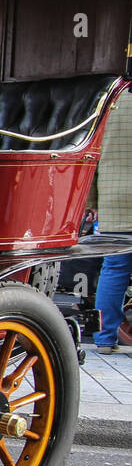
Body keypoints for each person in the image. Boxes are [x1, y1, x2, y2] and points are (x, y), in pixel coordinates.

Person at [93, 129, 132, 354]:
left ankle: (105, 339)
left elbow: (91, 152)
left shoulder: (111, 98)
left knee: (114, 269)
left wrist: (91, 201)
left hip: (114, 199)